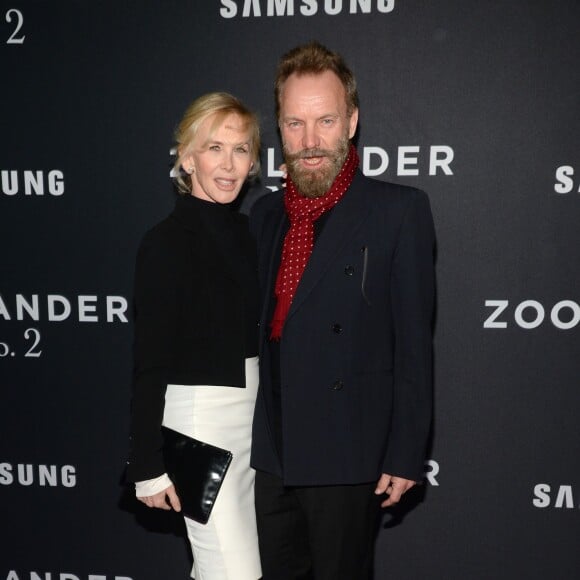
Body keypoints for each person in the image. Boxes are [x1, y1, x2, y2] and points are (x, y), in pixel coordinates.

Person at [250, 42, 436, 580]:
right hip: (272, 453)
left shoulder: (397, 212)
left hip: (347, 452)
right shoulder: (265, 216)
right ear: (279, 130)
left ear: (351, 121)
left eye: (325, 120)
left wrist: (405, 453)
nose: (310, 142)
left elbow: (414, 347)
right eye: (294, 124)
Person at [126, 92, 262, 580]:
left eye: (241, 149)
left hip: (256, 424)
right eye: (214, 148)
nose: (229, 164)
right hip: (200, 423)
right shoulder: (164, 243)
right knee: (235, 572)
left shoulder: (255, 234)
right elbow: (149, 361)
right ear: (187, 158)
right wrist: (147, 464)